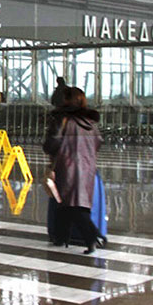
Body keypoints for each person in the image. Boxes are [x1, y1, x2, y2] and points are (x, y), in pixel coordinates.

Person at [43, 86, 102, 254]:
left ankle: (91, 237)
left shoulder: (62, 120)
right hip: (87, 168)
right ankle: (60, 236)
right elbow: (98, 142)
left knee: (73, 206)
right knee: (66, 203)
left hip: (67, 167)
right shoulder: (90, 123)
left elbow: (51, 144)